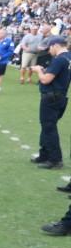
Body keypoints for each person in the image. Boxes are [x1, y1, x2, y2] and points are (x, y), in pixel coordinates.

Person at [31, 35, 71, 171]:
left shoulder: (59, 59)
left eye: (50, 48)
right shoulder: (68, 57)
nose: (49, 51)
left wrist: (38, 71)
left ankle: (55, 159)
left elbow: (46, 80)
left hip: (51, 97)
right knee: (47, 127)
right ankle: (45, 154)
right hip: (60, 96)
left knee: (49, 128)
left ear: (56, 45)